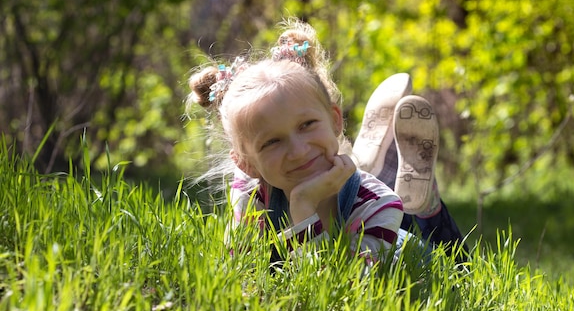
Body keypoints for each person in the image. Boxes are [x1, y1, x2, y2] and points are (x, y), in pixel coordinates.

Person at [186, 19, 465, 268]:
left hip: (429, 263)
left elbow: (338, 292)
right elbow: (239, 271)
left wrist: (304, 207)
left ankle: (426, 206)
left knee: (459, 266)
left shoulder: (379, 204)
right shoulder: (252, 195)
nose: (298, 150)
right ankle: (368, 160)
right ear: (246, 163)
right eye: (272, 142)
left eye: (307, 125)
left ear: (335, 121)